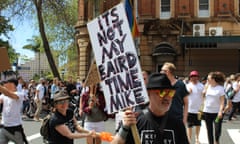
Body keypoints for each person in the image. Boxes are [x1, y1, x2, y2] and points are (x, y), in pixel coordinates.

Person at [111, 73, 189, 144]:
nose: (167, 97)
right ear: (148, 93)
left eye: (171, 93)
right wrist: (125, 128)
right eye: (162, 92)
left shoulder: (177, 123)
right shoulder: (134, 120)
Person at [0, 78, 28, 144]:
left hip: (15, 128)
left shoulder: (20, 94)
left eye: (6, 83)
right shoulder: (2, 95)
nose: (4, 85)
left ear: (12, 84)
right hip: (4, 126)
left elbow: (8, 94)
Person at [203, 71, 225, 144]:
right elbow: (203, 97)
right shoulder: (207, 86)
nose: (207, 80)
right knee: (209, 130)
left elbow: (222, 102)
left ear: (213, 79)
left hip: (217, 113)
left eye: (208, 79)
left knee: (217, 129)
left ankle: (217, 141)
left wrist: (220, 111)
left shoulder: (220, 88)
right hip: (207, 111)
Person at [185, 70, 204, 144]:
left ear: (198, 77)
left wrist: (203, 106)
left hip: (199, 109)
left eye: (195, 76)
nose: (194, 78)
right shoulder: (187, 86)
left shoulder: (201, 86)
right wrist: (188, 92)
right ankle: (189, 139)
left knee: (198, 124)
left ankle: (197, 138)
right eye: (192, 76)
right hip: (189, 109)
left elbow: (204, 96)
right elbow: (184, 96)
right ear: (190, 77)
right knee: (189, 125)